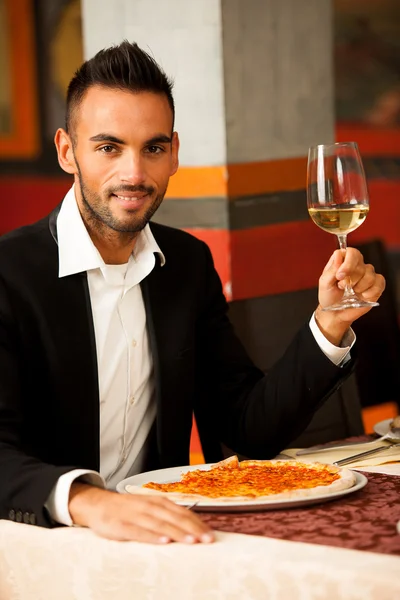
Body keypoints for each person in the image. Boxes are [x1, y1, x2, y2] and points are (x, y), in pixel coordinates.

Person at [0, 41, 385, 545]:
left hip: (167, 541)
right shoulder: (9, 273)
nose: (134, 174)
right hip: (41, 543)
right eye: (108, 147)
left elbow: (246, 431)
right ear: (67, 152)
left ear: (174, 153)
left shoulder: (186, 264)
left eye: (153, 148)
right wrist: (87, 501)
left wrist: (330, 323)